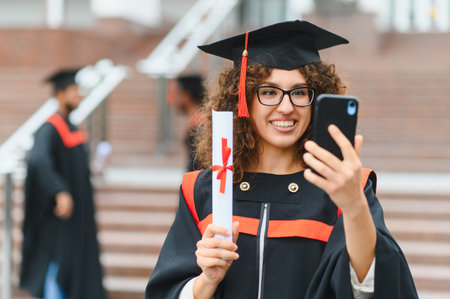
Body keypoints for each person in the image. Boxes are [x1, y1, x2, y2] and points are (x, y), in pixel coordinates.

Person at [145, 20, 418, 298]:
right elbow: (168, 290)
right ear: (243, 100)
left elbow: (375, 288)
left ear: (316, 100)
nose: (286, 107)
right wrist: (206, 281)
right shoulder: (203, 192)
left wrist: (354, 207)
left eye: (300, 92)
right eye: (269, 92)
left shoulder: (344, 190)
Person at [19, 69, 106, 299]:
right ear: (59, 94)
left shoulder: (72, 127)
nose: (79, 96)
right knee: (59, 265)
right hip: (60, 220)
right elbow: (39, 161)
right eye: (73, 91)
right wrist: (59, 191)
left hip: (79, 217)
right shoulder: (50, 128)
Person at [176, 75, 205, 171]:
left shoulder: (200, 123)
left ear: (186, 95)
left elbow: (199, 163)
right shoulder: (197, 120)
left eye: (173, 93)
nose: (169, 98)